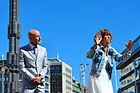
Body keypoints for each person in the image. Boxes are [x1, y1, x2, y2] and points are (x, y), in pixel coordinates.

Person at [87, 29, 134, 93]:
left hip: (106, 78)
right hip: (96, 77)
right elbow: (88, 55)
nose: (109, 37)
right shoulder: (98, 48)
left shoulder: (111, 50)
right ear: (102, 38)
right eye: (107, 35)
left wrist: (128, 50)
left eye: (110, 35)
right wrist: (96, 45)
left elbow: (121, 59)